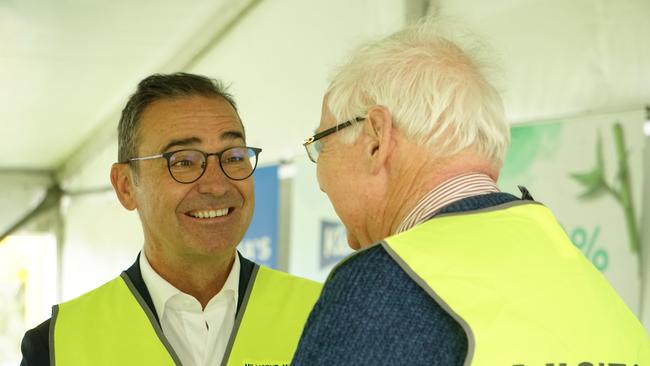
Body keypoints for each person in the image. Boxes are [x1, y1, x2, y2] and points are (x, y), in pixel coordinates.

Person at [292, 20, 649, 365]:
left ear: (376, 139)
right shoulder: (585, 283)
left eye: (321, 144)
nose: (319, 171)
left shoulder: (381, 285)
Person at [20, 72, 321, 366]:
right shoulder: (57, 346)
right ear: (126, 186)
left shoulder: (324, 314)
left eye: (233, 156)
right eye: (184, 162)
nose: (216, 185)